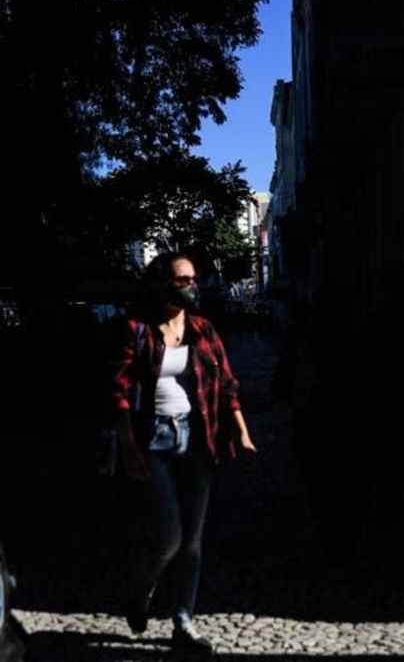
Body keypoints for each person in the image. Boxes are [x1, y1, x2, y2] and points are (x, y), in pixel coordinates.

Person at [110, 252, 256, 654]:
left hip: (196, 437)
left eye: (193, 278)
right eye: (182, 279)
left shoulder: (202, 328)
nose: (192, 285)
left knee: (192, 541)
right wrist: (128, 444)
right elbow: (119, 390)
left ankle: (183, 622)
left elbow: (227, 382)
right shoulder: (138, 330)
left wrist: (241, 429)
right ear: (162, 284)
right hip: (154, 439)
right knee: (169, 536)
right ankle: (141, 590)